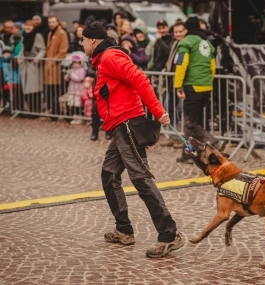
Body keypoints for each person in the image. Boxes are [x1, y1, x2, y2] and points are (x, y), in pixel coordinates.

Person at [81, 21, 184, 257]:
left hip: (127, 125)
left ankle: (169, 235)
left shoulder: (109, 57)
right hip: (121, 126)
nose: (82, 44)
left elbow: (140, 80)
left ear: (93, 41)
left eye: (84, 40)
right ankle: (124, 230)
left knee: (141, 179)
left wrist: (158, 112)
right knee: (109, 174)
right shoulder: (103, 59)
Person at [174, 16, 226, 164]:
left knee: (191, 123)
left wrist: (178, 86)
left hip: (192, 86)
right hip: (206, 86)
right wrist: (208, 82)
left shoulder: (186, 42)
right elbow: (212, 67)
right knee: (192, 122)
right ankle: (188, 155)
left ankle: (214, 142)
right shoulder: (208, 44)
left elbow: (181, 65)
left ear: (187, 29)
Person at [159, 21, 186, 148]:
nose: (178, 34)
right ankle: (174, 136)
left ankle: (184, 138)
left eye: (181, 31)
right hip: (171, 83)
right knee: (169, 110)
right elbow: (169, 65)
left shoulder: (185, 45)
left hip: (180, 84)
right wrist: (165, 83)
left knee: (182, 111)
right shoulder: (174, 43)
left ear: (185, 31)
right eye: (176, 32)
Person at [18, 19, 46, 116]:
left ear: (33, 27)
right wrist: (19, 57)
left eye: (30, 25)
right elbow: (22, 48)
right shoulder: (24, 36)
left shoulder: (37, 36)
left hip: (33, 65)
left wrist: (37, 58)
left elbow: (42, 49)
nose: (28, 27)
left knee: (34, 88)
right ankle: (30, 110)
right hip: (25, 65)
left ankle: (36, 111)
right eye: (26, 25)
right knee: (27, 89)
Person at [44, 15, 68, 120]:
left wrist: (52, 61)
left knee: (54, 91)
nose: (51, 24)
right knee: (49, 90)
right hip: (49, 66)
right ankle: (52, 112)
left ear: (57, 22)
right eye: (49, 22)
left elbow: (63, 51)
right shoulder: (50, 33)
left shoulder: (62, 33)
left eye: (53, 22)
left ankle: (55, 113)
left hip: (55, 66)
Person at [64, 54, 86, 124]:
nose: (75, 64)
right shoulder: (71, 70)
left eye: (77, 63)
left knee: (78, 105)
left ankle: (79, 118)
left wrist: (71, 75)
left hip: (78, 91)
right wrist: (68, 74)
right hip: (72, 90)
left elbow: (79, 78)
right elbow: (66, 79)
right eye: (74, 63)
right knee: (72, 104)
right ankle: (74, 117)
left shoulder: (82, 70)